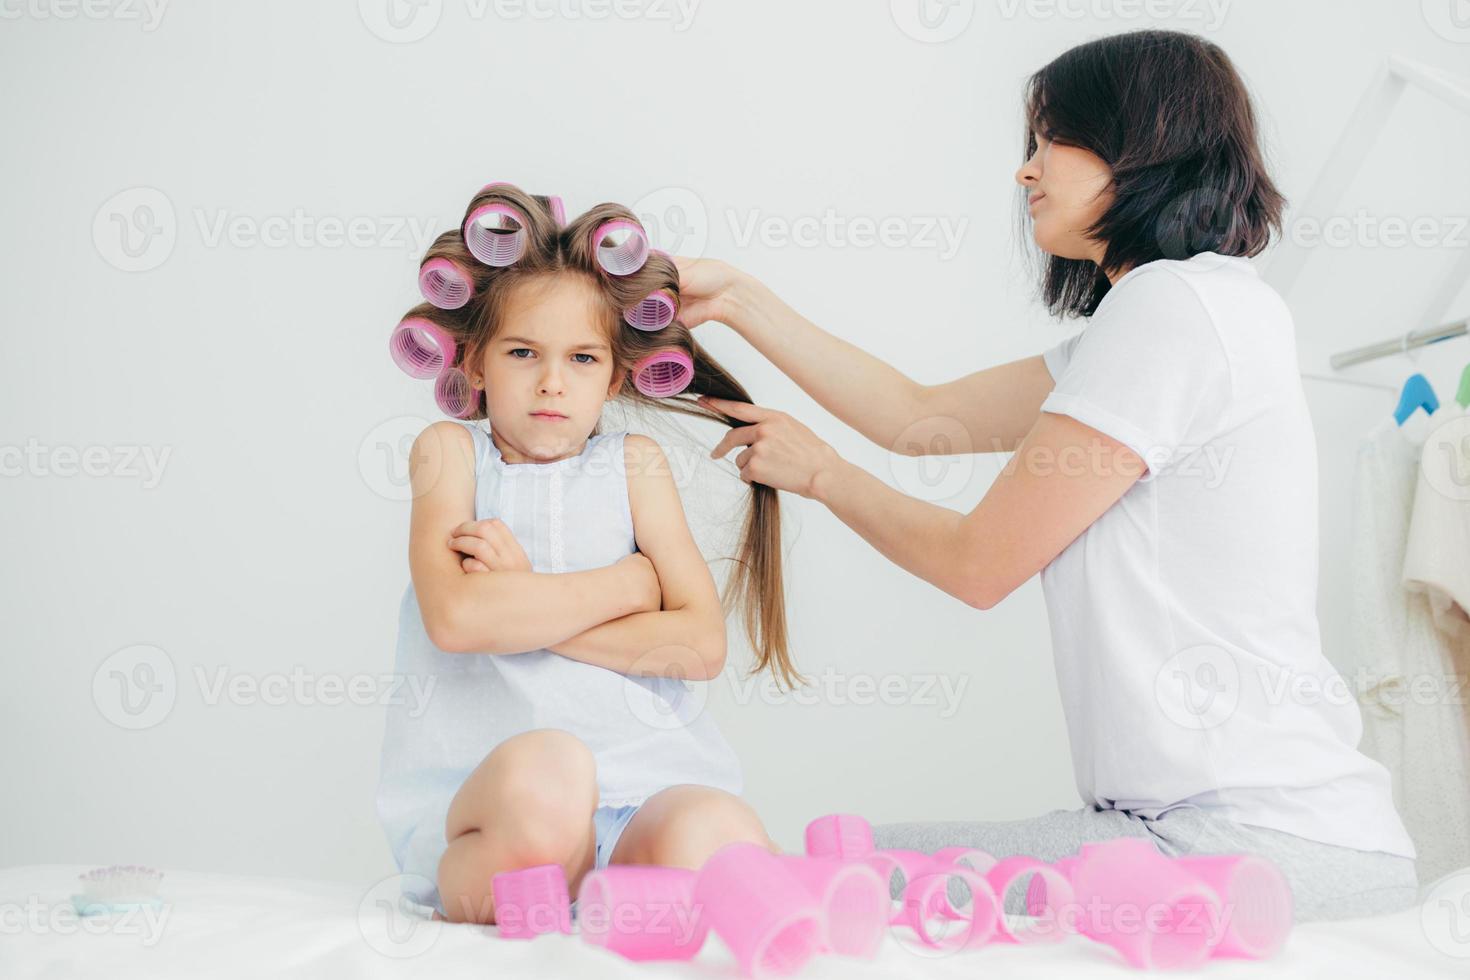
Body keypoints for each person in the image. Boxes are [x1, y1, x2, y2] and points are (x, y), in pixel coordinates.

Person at [673, 30, 1418, 921]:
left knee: (843, 881)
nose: (1024, 173)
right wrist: (735, 300)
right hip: (1236, 836)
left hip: (1251, 844)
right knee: (848, 874)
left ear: (1143, 142)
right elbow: (918, 419)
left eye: (1049, 139)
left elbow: (977, 564)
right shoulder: (1180, 314)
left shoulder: (1174, 309)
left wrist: (823, 474)